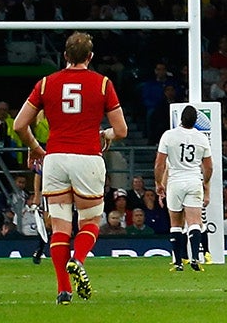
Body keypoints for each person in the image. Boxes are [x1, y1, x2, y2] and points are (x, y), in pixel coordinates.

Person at [12, 31, 128, 305]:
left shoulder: (45, 84)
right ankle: (79, 258)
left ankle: (63, 290)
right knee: (89, 221)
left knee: (61, 227)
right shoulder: (102, 84)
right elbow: (121, 130)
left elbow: (19, 125)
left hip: (55, 158)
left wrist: (35, 148)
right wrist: (106, 135)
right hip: (87, 157)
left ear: (64, 55)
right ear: (90, 57)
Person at [155, 104, 214, 272]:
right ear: (196, 121)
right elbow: (209, 167)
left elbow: (159, 164)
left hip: (175, 181)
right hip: (194, 180)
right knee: (195, 221)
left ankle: (178, 262)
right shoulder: (201, 138)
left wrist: (159, 183)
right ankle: (196, 257)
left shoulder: (169, 135)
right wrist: (205, 182)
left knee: (175, 223)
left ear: (181, 119)